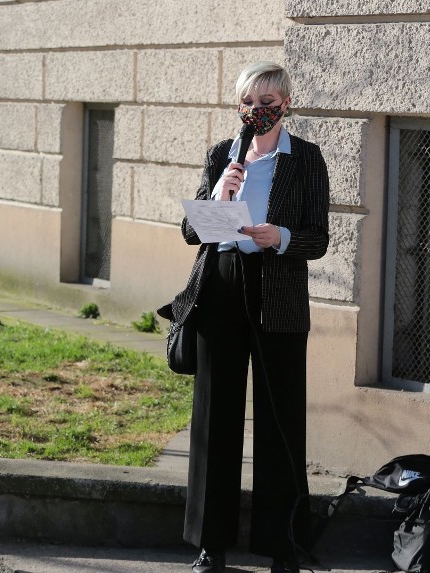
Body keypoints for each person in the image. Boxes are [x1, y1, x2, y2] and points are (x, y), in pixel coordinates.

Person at [168, 62, 329, 573]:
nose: (258, 111)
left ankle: (283, 546)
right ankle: (209, 545)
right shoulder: (223, 154)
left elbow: (319, 238)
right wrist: (218, 197)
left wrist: (278, 237)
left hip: (277, 289)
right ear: (240, 107)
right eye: (249, 102)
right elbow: (193, 232)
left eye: (268, 101)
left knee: (280, 420)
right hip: (221, 284)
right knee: (216, 418)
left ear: (286, 104)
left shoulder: (306, 158)